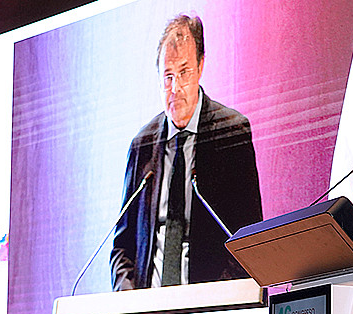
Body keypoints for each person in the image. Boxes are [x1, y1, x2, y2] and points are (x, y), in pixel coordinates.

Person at [111, 14, 262, 290]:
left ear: (201, 66)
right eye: (167, 76)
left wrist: (216, 300)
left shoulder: (231, 133)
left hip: (210, 307)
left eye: (184, 72)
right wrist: (127, 298)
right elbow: (122, 247)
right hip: (147, 310)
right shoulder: (142, 145)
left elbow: (248, 239)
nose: (175, 88)